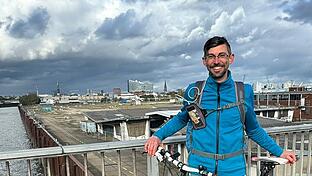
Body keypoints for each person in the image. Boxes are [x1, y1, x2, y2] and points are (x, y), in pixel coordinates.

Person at [144, 36, 296, 175]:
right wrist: (157, 136)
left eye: (222, 55)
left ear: (231, 58)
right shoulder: (194, 91)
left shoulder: (243, 91)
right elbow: (181, 119)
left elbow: (253, 129)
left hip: (234, 169)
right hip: (198, 168)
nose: (216, 61)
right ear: (204, 61)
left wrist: (279, 152)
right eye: (211, 56)